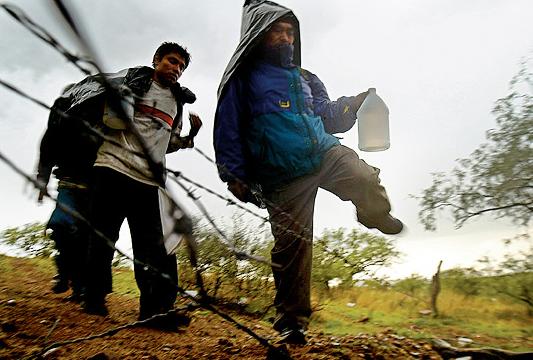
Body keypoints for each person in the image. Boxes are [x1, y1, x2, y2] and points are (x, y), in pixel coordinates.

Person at [214, 0, 403, 344]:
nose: (286, 38)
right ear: (259, 34)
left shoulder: (305, 78)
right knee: (292, 246)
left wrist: (353, 104)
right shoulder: (243, 79)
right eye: (278, 31)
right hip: (281, 172)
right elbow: (227, 127)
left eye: (290, 32)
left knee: (362, 175)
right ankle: (292, 319)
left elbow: (328, 115)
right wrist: (233, 174)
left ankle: (373, 213)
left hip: (322, 151)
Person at [58, 42, 202, 331]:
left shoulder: (176, 102)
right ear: (157, 60)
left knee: (153, 247)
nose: (176, 69)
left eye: (181, 66)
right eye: (171, 62)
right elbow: (112, 121)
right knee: (102, 238)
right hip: (113, 168)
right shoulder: (132, 84)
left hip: (148, 181)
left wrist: (190, 135)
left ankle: (156, 310)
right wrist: (127, 103)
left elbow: (168, 144)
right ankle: (94, 298)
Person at [36, 83, 99, 302]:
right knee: (60, 227)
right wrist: (42, 180)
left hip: (95, 186)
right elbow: (47, 148)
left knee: (85, 236)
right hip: (68, 183)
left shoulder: (101, 119)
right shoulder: (60, 120)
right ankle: (64, 273)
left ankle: (80, 287)